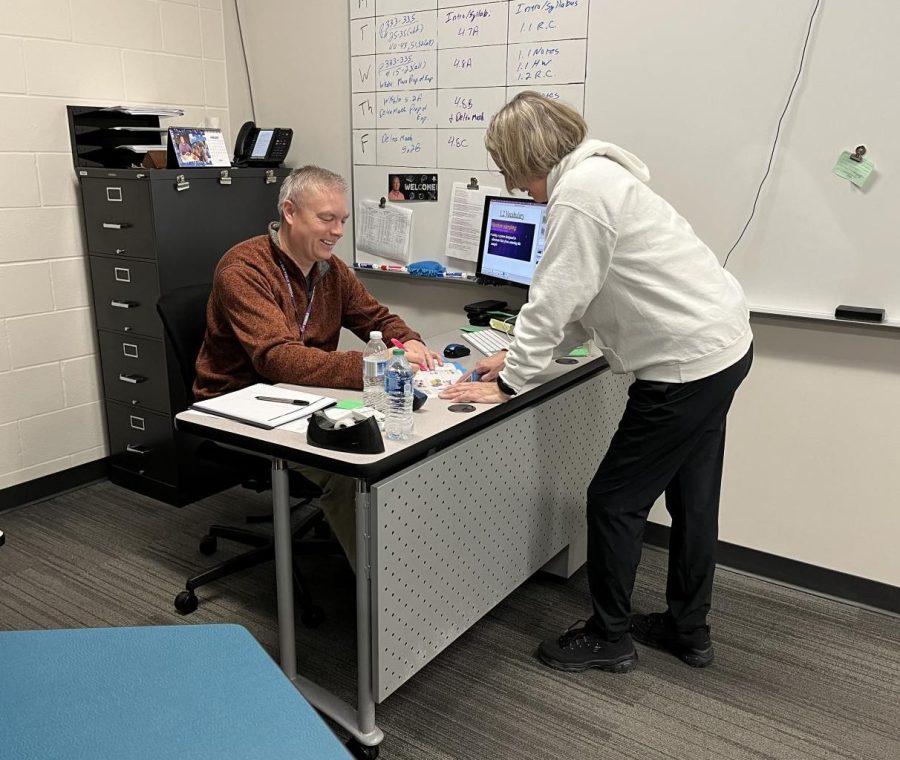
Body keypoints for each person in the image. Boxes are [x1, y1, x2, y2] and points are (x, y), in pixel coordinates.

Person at [440, 92, 752, 673]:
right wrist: (514, 356)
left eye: (510, 171)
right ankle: (689, 628)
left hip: (683, 366)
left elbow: (553, 299)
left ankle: (610, 637)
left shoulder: (580, 196)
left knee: (613, 501)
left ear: (524, 156)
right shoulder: (603, 176)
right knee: (693, 497)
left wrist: (510, 381)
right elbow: (579, 303)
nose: (515, 187)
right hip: (722, 348)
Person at [194, 165, 440, 571]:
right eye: (327, 219)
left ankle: (410, 568)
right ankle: (379, 596)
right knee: (351, 469)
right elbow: (279, 359)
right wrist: (375, 364)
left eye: (342, 220)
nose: (338, 230)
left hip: (307, 396)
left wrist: (406, 340)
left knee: (408, 440)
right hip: (241, 403)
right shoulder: (244, 269)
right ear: (290, 212)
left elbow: (373, 317)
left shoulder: (330, 269)